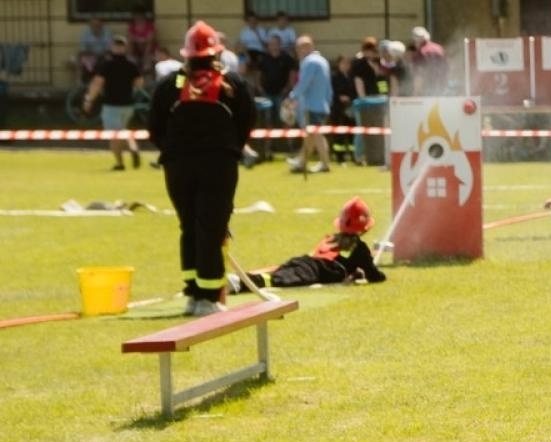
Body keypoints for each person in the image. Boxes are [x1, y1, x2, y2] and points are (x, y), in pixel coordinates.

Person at [146, 21, 256, 315]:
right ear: (216, 52)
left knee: (189, 226)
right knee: (212, 227)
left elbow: (154, 127)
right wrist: (231, 149)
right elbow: (247, 122)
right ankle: (209, 297)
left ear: (187, 54)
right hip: (218, 165)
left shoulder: (168, 86)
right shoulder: (232, 84)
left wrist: (173, 152)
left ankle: (194, 294)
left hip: (177, 167)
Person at [229, 197, 387, 292]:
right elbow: (375, 277)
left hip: (305, 261)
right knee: (274, 280)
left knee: (275, 273)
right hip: (311, 272)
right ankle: (238, 284)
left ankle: (238, 280)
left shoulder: (331, 238)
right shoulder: (360, 249)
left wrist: (355, 274)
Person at [82, 34, 144, 170]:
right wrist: (132, 91)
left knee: (114, 135)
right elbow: (139, 83)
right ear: (125, 48)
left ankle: (120, 163)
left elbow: (97, 83)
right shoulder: (131, 65)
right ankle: (133, 147)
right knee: (122, 130)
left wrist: (89, 100)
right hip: (128, 105)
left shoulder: (106, 65)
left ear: (112, 47)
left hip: (111, 105)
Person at [286, 36, 332, 174]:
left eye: (299, 48)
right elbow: (328, 87)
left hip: (312, 105)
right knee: (313, 135)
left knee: (316, 135)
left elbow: (304, 83)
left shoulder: (309, 62)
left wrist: (291, 97)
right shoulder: (323, 61)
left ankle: (323, 164)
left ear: (308, 47)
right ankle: (302, 161)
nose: (298, 51)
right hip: (323, 104)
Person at [411, 26, 449, 95]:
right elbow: (447, 66)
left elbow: (419, 75)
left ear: (416, 41)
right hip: (442, 86)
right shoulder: (439, 48)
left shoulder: (420, 53)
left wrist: (416, 92)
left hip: (427, 88)